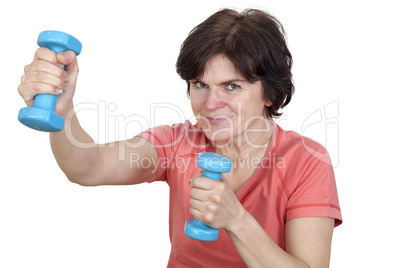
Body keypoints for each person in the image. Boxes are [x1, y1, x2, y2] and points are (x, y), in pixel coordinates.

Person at [18, 8, 342, 268]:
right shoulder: (176, 143)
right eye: (200, 84)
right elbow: (88, 168)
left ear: (270, 93)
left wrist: (237, 220)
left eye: (232, 86)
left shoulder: (306, 160)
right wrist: (62, 111)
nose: (211, 103)